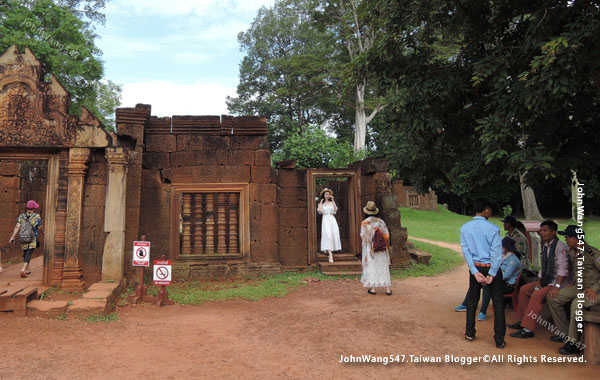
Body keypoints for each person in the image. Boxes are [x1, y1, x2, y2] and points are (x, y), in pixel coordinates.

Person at [508, 220, 570, 338]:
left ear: (553, 232)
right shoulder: (546, 246)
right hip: (547, 280)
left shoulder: (560, 247)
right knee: (524, 290)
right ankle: (523, 321)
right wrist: (539, 281)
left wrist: (557, 286)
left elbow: (563, 269)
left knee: (536, 295)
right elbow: (544, 265)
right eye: (541, 230)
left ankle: (528, 329)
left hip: (557, 282)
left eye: (545, 230)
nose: (542, 233)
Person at [547, 225, 600, 355]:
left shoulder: (593, 253)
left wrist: (594, 289)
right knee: (553, 297)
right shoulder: (572, 251)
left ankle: (573, 343)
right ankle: (566, 334)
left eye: (567, 237)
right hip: (580, 286)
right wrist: (573, 281)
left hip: (595, 289)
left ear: (576, 239)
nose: (565, 239)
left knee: (577, 303)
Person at [460, 199, 505, 348]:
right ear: (486, 210)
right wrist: (492, 273)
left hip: (476, 268)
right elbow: (496, 252)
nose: (490, 213)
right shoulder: (493, 228)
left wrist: (474, 271)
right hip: (491, 267)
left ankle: (469, 333)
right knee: (498, 302)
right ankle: (499, 340)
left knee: (473, 300)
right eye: (490, 210)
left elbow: (466, 252)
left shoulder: (465, 228)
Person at [477, 237, 522, 321]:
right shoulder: (504, 257)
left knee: (487, 286)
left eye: (502, 246)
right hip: (500, 282)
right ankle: (475, 306)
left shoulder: (513, 260)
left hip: (508, 286)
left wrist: (491, 277)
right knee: (482, 282)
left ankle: (483, 312)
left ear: (506, 248)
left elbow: (506, 276)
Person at [360, 201, 392, 295]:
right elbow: (386, 235)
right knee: (383, 265)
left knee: (372, 265)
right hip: (381, 247)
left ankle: (373, 288)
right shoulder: (380, 221)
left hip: (371, 247)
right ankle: (387, 288)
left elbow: (364, 236)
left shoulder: (365, 222)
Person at [8, 200, 43, 278]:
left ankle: (27, 269)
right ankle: (23, 269)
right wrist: (43, 233)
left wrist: (12, 237)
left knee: (25, 252)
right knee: (29, 253)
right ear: (34, 207)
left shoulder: (21, 216)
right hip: (32, 237)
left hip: (22, 237)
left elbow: (17, 226)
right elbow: (39, 227)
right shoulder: (36, 217)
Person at [317, 188, 341, 263]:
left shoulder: (332, 203)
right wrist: (321, 202)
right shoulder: (321, 204)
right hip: (325, 219)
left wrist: (333, 200)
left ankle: (329, 250)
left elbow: (335, 210)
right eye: (326, 194)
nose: (327, 195)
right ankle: (330, 254)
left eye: (328, 194)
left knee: (334, 233)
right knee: (328, 235)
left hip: (332, 219)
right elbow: (320, 211)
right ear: (324, 195)